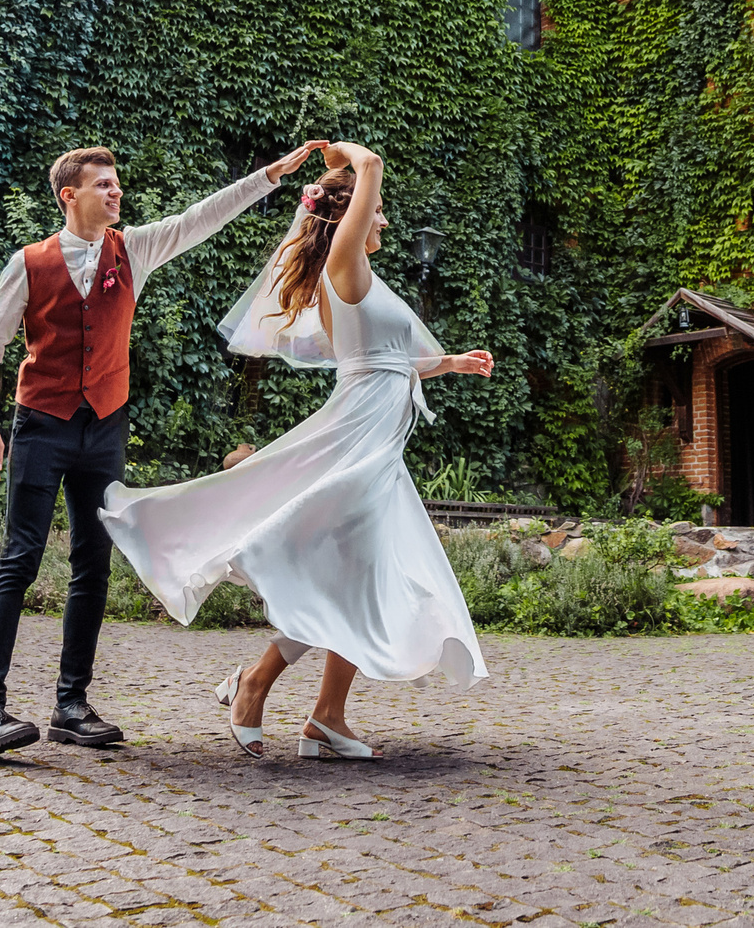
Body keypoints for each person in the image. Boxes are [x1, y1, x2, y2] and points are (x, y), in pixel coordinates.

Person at [101, 142, 493, 761]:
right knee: (340, 565)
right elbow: (370, 169)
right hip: (357, 439)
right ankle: (256, 684)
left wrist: (449, 363)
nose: (384, 220)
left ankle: (326, 715)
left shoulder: (369, 283)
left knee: (359, 570)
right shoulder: (346, 266)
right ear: (348, 220)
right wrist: (352, 158)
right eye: (378, 211)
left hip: (381, 445)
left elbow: (384, 359)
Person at [0, 140, 325, 761]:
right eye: (103, 185)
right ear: (69, 196)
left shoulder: (137, 248)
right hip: (42, 424)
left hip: (103, 426)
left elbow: (200, 219)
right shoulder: (29, 263)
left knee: (93, 563)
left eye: (117, 184)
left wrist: (270, 176)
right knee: (18, 559)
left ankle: (71, 705)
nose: (116, 192)